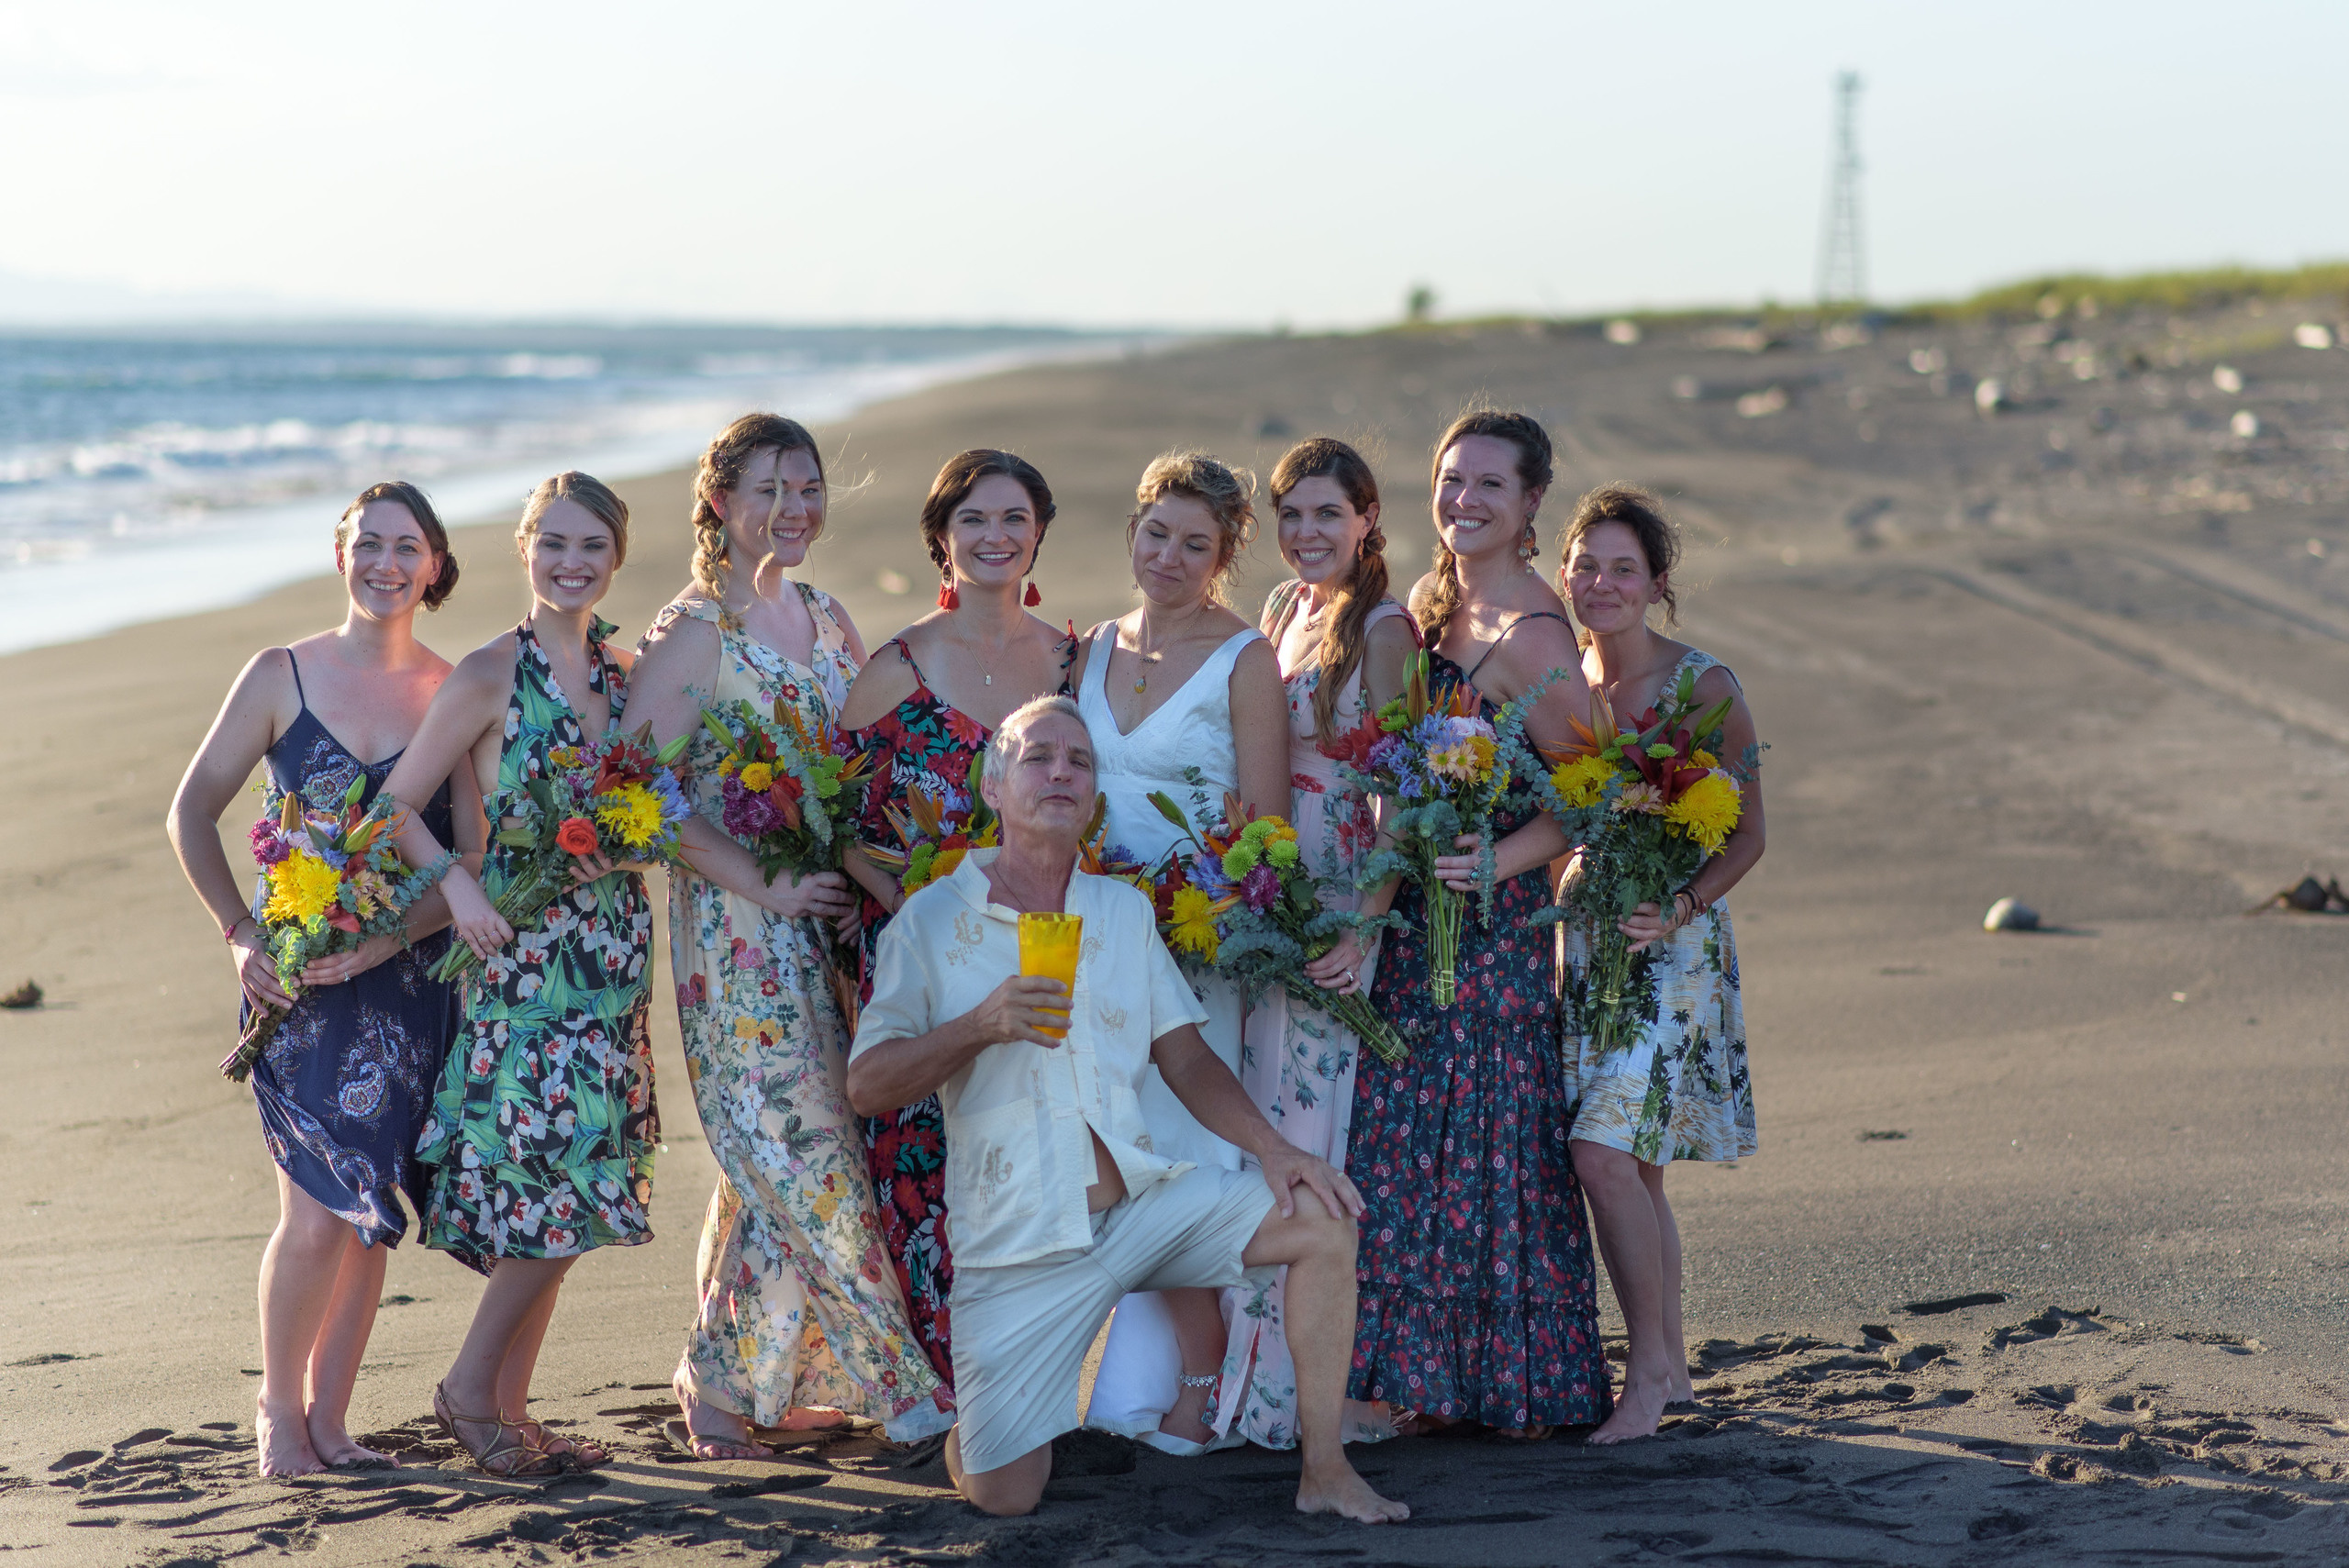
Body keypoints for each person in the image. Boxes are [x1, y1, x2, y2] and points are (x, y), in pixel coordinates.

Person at [845, 696, 1408, 1524]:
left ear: (1095, 795)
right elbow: (867, 1084)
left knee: (1323, 1218)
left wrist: (1276, 1150)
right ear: (994, 785)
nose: (1062, 771)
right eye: (1039, 757)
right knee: (1006, 1495)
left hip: (1141, 1208)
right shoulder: (931, 921)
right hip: (1020, 1246)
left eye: (1080, 759)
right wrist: (980, 1024)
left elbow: (1184, 1056)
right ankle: (980, 1431)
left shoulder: (1122, 911)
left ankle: (1324, 1467)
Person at [622, 414, 950, 1456]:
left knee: (785, 1152)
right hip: (740, 936)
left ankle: (721, 1387)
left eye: (807, 487)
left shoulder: (825, 614)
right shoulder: (692, 633)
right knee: (795, 1146)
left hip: (832, 923)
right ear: (718, 499)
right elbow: (636, 792)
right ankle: (904, 1388)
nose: (793, 508)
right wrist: (759, 878)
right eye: (769, 488)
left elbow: (854, 772)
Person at [167, 482, 475, 1476]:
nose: (386, 563)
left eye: (407, 547)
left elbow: (461, 861)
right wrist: (237, 933)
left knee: (370, 1209)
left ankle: (334, 1420)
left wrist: (390, 943)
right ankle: (277, 1413)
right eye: (369, 544)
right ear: (340, 554)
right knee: (312, 1210)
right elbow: (191, 813)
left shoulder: (452, 688)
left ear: (434, 565)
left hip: (408, 983)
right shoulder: (279, 674)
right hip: (296, 983)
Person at [377, 471, 657, 1477]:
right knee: (558, 1183)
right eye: (554, 544)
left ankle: (507, 1405)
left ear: (615, 557)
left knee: (579, 1187)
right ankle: (465, 1390)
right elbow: (397, 807)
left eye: (592, 547)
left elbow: (651, 808)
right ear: (525, 548)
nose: (572, 563)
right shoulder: (493, 672)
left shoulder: (628, 675)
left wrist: (635, 843)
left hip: (613, 956)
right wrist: (458, 889)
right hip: (525, 958)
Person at [1346, 410, 1611, 1437]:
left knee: (1492, 1143)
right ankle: (1426, 1378)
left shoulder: (1538, 635)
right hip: (1414, 922)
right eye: (1449, 480)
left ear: (1531, 500)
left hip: (1490, 934)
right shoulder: (1432, 605)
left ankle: (1517, 1383)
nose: (1462, 500)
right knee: (1412, 1144)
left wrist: (1492, 859)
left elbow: (1593, 796)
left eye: (1487, 485)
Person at [834, 449, 1076, 1390]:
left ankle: (1031, 1364)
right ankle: (941, 1376)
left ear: (1038, 536)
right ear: (942, 537)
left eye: (1013, 519)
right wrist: (908, 899)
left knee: (1033, 1154)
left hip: (1044, 951)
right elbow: (836, 825)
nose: (994, 537)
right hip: (926, 956)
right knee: (927, 1161)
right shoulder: (894, 669)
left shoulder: (1069, 658)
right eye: (974, 519)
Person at [1067, 451, 1288, 1453]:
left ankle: (1199, 1389)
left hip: (1195, 952)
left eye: (1195, 543)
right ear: (1131, 532)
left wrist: (1194, 903)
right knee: (1107, 1162)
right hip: (1092, 947)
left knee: (1181, 1168)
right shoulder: (1091, 648)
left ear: (1223, 555)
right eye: (1156, 533)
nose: (1169, 555)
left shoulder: (1243, 657)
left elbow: (1267, 827)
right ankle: (1125, 1384)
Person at [1217, 436, 1419, 1450]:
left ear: (1366, 519)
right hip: (1270, 894)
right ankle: (1248, 1367)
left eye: (1325, 514)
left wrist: (1364, 921)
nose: (1305, 532)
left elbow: (1406, 795)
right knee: (1260, 1118)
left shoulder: (1385, 629)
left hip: (1338, 902)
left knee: (1314, 1126)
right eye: (1289, 513)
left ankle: (1306, 1391)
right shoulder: (1282, 612)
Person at [1555, 484, 1765, 1443]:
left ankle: (1640, 1380)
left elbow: (1748, 835)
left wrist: (1676, 903)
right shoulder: (1560, 682)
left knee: (1599, 1154)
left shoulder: (1703, 685)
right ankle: (1671, 1364)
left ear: (1657, 583)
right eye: (1586, 564)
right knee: (1636, 1171)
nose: (1600, 582)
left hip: (1673, 952)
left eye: (1621, 568)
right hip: (1587, 950)